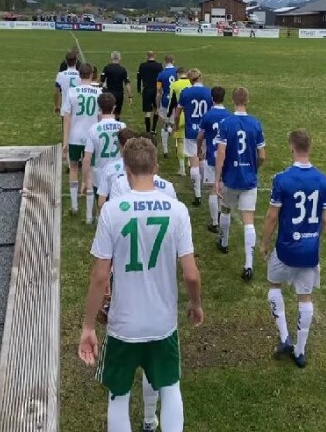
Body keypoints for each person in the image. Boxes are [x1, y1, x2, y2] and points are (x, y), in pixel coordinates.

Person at [78, 136, 204, 432]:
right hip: (162, 322)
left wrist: (87, 326)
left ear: (126, 168)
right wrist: (195, 303)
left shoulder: (112, 210)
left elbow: (99, 276)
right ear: (156, 167)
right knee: (170, 388)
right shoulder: (177, 210)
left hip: (124, 323)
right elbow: (191, 274)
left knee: (118, 396)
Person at [259, 129, 326, 368]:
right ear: (309, 148)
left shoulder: (282, 179)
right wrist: (315, 239)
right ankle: (300, 351)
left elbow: (271, 216)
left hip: (286, 248)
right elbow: (325, 218)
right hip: (310, 250)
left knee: (273, 285)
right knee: (305, 298)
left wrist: (265, 242)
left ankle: (284, 337)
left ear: (292, 147)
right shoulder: (323, 180)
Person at [213, 87, 266, 281]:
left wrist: (217, 179)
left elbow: (221, 153)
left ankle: (224, 242)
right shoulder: (256, 124)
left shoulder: (226, 123)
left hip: (230, 177)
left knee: (226, 209)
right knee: (248, 220)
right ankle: (249, 264)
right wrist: (254, 168)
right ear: (248, 100)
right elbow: (262, 156)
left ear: (233, 101)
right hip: (249, 179)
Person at [62, 64, 103, 216]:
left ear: (79, 75)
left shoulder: (72, 92)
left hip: (75, 136)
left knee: (73, 168)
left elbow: (67, 117)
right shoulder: (98, 92)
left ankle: (74, 206)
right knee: (90, 172)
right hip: (92, 136)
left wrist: (65, 139)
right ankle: (89, 213)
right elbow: (100, 116)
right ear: (92, 75)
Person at [81, 92, 127, 225]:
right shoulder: (122, 126)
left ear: (99, 107)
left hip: (100, 173)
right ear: (114, 107)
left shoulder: (94, 129)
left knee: (102, 204)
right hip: (120, 172)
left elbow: (87, 158)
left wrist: (85, 180)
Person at [175, 68, 212, 206]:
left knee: (193, 160)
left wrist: (176, 125)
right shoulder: (209, 92)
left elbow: (178, 113)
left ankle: (197, 194)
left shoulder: (186, 92)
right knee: (203, 159)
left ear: (190, 80)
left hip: (191, 131)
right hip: (206, 131)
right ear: (201, 77)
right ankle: (205, 184)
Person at [196, 86, 231, 232]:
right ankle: (224, 215)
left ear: (212, 98)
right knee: (223, 188)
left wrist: (199, 149)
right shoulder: (229, 115)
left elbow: (200, 136)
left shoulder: (208, 115)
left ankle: (215, 222)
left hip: (212, 157)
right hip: (226, 157)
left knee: (212, 188)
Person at [55, 52, 82, 172]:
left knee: (66, 134)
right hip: (78, 108)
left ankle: (69, 163)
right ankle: (80, 158)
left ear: (66, 62)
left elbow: (56, 91)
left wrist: (56, 105)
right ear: (76, 61)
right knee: (79, 131)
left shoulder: (61, 75)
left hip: (65, 108)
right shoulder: (80, 75)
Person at [166, 66, 191, 176]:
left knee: (180, 142)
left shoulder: (174, 85)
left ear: (177, 74)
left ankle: (182, 168)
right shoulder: (191, 84)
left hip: (179, 115)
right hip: (191, 115)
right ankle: (190, 162)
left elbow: (172, 102)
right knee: (190, 141)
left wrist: (168, 116)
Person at [155, 54, 179, 156]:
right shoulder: (178, 72)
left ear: (165, 62)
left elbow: (158, 91)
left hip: (165, 101)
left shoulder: (161, 74)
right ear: (173, 61)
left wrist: (157, 106)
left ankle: (165, 150)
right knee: (177, 124)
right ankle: (179, 147)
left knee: (165, 125)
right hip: (177, 103)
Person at [100, 51, 133, 121]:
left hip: (109, 94)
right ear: (119, 58)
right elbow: (127, 83)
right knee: (117, 113)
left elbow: (101, 81)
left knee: (109, 111)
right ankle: (116, 125)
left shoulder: (107, 68)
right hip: (119, 94)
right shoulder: (123, 69)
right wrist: (130, 96)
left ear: (111, 58)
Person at [137, 51, 163, 135]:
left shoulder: (142, 65)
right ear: (154, 56)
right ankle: (153, 129)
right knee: (156, 109)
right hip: (156, 90)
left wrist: (138, 88)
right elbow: (161, 79)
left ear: (147, 56)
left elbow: (139, 78)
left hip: (147, 90)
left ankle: (148, 131)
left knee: (148, 112)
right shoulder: (159, 66)